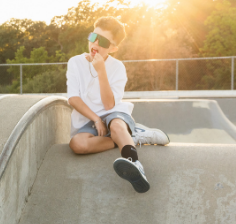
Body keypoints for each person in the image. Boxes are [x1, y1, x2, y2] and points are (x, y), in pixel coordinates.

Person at [66, 16, 169, 193]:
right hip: (88, 121)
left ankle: (134, 162)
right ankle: (134, 137)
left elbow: (108, 105)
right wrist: (96, 119)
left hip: (114, 114)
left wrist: (101, 72)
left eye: (103, 41)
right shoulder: (75, 62)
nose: (95, 44)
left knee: (116, 126)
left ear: (113, 48)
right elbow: (73, 99)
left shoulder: (118, 67)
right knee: (77, 145)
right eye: (93, 37)